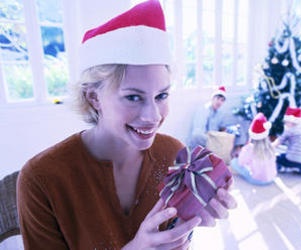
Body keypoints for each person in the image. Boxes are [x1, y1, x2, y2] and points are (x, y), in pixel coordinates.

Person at [16, 1, 236, 249]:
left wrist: (189, 223)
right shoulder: (41, 179)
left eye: (161, 96)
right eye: (133, 97)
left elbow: (173, 237)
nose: (153, 116)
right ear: (94, 97)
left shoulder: (174, 154)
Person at [230, 113, 277, 185]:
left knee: (234, 162)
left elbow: (241, 163)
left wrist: (241, 152)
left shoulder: (249, 148)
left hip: (258, 181)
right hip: (271, 179)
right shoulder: (270, 146)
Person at [272, 106, 301, 175]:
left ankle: (282, 167)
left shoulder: (289, 130)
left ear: (291, 122)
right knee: (298, 156)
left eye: (285, 122)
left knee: (279, 158)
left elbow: (278, 142)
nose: (284, 124)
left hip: (292, 159)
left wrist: (268, 148)